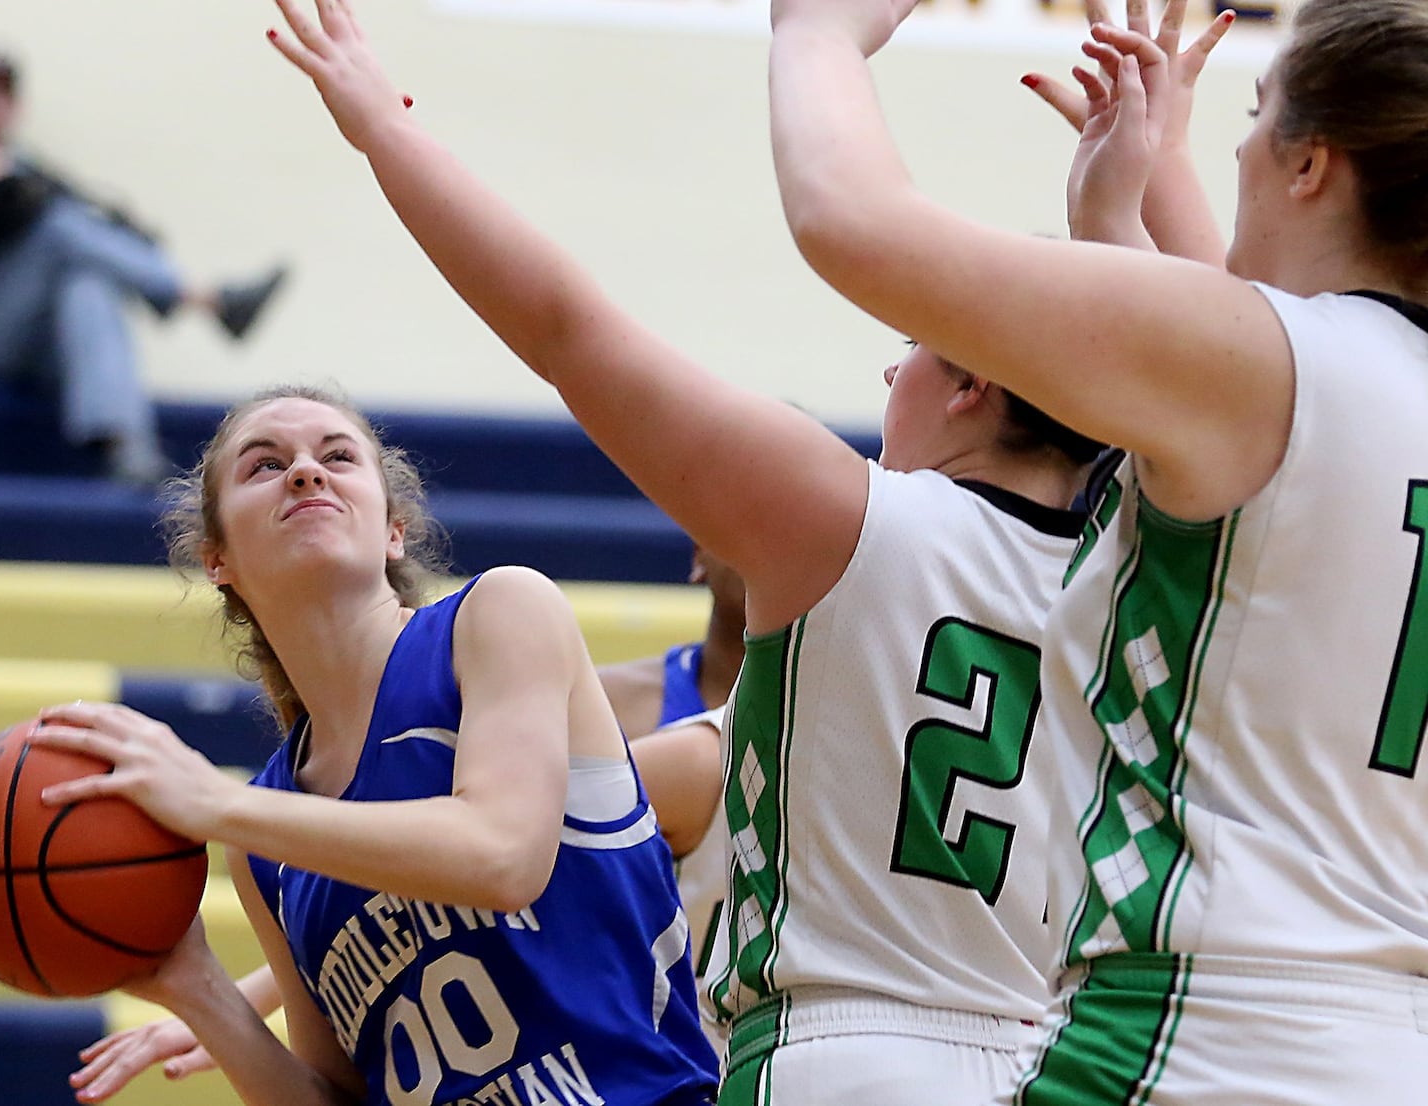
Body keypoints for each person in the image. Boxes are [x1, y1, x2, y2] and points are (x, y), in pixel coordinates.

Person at [259, 1, 1106, 1102]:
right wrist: (1119, 213)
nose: (889, 379)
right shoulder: (1136, 584)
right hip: (1056, 1060)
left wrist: (386, 129)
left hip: (838, 1053)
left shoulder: (855, 522)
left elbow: (568, 328)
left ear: (974, 381)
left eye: (911, 352)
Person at [765, 0, 1428, 1101]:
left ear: (1311, 162)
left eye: (1255, 116)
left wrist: (815, 34)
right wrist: (1125, 199)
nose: (1227, 147)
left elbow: (849, 217)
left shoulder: (1268, 371)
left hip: (1196, 1035)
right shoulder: (1318, 394)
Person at [31, 385, 720, 1106]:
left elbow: (501, 855)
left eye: (336, 456)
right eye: (265, 466)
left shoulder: (499, 614)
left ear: (393, 531)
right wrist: (198, 989)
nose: (305, 472)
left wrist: (217, 803)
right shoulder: (263, 835)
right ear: (217, 560)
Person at [0, 50, 289, 485]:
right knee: (58, 227)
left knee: (87, 280)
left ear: (14, 109)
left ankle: (127, 449)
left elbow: (113, 230)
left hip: (40, 347)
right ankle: (205, 299)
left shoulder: (33, 175)